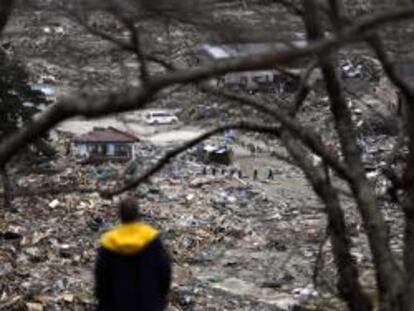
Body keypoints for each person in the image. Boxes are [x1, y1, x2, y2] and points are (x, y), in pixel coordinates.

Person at [95, 197, 172, 311]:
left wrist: (103, 300)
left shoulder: (109, 242)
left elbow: (101, 277)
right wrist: (161, 296)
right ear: (137, 214)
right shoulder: (151, 239)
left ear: (120, 216)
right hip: (149, 302)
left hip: (117, 303)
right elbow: (164, 270)